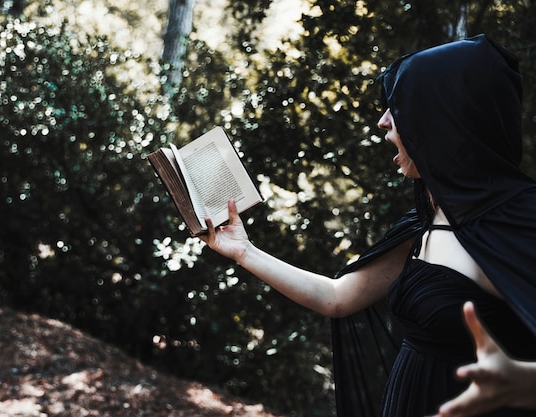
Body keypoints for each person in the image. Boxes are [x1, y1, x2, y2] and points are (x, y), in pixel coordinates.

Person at [198, 34, 536, 417]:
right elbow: (338, 298)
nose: (383, 121)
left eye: (400, 108)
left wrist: (523, 380)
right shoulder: (425, 221)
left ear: (444, 120)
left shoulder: (518, 224)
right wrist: (245, 251)